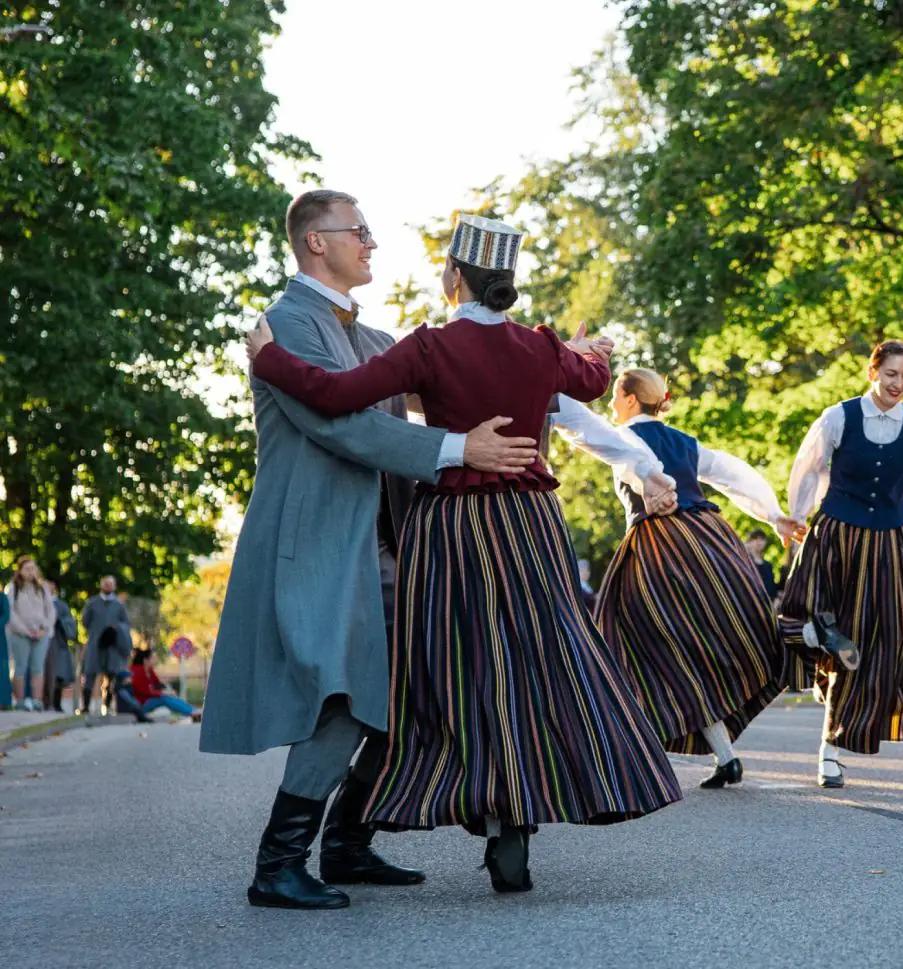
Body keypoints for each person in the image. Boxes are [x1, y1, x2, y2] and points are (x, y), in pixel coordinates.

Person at [246, 211, 681, 898]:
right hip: (532, 527)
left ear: (454, 277)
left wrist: (268, 359)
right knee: (537, 663)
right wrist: (588, 351)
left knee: (446, 672)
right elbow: (594, 380)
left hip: (452, 529)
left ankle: (382, 824)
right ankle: (514, 823)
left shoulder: (426, 348)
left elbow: (335, 397)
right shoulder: (540, 348)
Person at [203, 192, 554, 911]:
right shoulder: (289, 324)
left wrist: (551, 362)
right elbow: (342, 425)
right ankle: (278, 862)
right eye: (357, 231)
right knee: (345, 696)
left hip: (385, 545)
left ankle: (347, 843)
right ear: (314, 243)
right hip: (318, 541)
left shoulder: (367, 336)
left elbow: (455, 379)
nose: (371, 243)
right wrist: (460, 448)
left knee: (408, 689)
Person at [593, 368, 815, 788]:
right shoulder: (687, 443)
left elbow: (633, 469)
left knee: (627, 640)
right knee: (701, 644)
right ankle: (726, 756)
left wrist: (647, 484)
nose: (609, 402)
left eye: (613, 395)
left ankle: (623, 756)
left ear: (628, 398)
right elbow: (736, 474)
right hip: (707, 540)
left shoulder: (621, 439)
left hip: (657, 545)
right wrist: (771, 515)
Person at [780, 340, 903, 788]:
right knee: (822, 626)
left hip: (889, 541)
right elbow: (808, 469)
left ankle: (836, 736)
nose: (899, 385)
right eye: (891, 374)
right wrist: (796, 521)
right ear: (873, 372)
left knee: (888, 635)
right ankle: (827, 736)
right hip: (837, 535)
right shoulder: (838, 416)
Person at [5, 557, 55, 712]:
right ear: (19, 571)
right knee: (20, 666)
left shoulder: (42, 589)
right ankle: (20, 701)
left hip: (41, 634)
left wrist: (43, 628)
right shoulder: (13, 588)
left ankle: (36, 701)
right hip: (20, 634)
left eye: (33, 568)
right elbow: (11, 613)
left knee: (37, 667)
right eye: (27, 569)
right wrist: (25, 630)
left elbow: (51, 611)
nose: (30, 572)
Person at [79, 575, 132, 717]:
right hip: (95, 644)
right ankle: (85, 707)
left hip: (112, 646)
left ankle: (106, 707)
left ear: (114, 586)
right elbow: (85, 622)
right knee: (90, 674)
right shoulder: (92, 603)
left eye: (111, 584)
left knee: (111, 676)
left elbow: (126, 624)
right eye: (106, 584)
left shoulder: (119, 606)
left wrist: (115, 630)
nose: (108, 587)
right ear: (101, 585)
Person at [128, 648, 201, 720]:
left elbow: (157, 684)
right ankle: (192, 712)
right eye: (153, 658)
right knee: (164, 699)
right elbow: (145, 691)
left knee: (169, 697)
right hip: (140, 704)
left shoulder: (149, 670)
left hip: (148, 700)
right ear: (145, 660)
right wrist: (163, 693)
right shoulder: (137, 671)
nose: (156, 660)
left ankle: (193, 711)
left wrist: (168, 690)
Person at [42, 585, 77, 712]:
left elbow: (69, 623)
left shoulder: (62, 605)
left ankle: (56, 703)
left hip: (58, 642)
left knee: (58, 674)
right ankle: (43, 702)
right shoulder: (39, 600)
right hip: (40, 639)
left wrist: (60, 621)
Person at [745, 529, 781, 600]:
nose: (759, 542)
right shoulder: (746, 563)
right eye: (755, 539)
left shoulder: (768, 565)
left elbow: (771, 586)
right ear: (750, 542)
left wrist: (776, 598)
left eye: (761, 539)